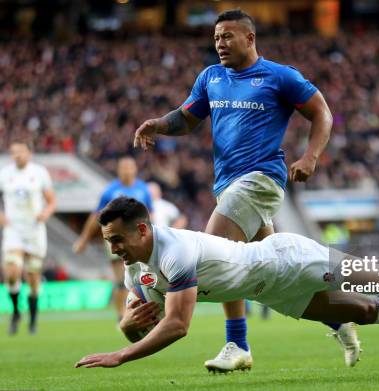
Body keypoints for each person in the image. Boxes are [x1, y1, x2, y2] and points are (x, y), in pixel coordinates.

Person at [133, 9, 353, 371]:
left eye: (227, 36)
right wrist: (159, 124)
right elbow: (186, 119)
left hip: (261, 179)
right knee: (275, 277)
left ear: (249, 39)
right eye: (216, 37)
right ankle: (338, 318)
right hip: (227, 185)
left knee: (215, 251)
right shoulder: (211, 77)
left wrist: (311, 156)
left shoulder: (279, 76)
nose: (220, 43)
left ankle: (237, 343)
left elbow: (321, 112)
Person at [74, 197, 379, 369]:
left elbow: (177, 325)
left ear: (143, 229)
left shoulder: (173, 249)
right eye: (108, 241)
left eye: (117, 240)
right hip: (272, 290)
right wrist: (125, 328)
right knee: (365, 311)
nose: (112, 249)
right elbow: (139, 323)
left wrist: (121, 354)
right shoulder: (137, 269)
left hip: (286, 260)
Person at [0, 139, 57, 335]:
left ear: (29, 153)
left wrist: (46, 213)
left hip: (34, 230)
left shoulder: (39, 173)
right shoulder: (4, 175)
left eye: (21, 151)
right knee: (12, 272)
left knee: (33, 277)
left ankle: (33, 320)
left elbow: (51, 201)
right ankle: (16, 312)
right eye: (13, 152)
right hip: (13, 230)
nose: (17, 155)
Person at [73, 157, 153, 322]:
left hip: (138, 240)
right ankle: (120, 316)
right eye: (123, 168)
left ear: (135, 169)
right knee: (120, 280)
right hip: (116, 239)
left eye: (129, 167)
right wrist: (84, 239)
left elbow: (150, 214)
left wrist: (152, 235)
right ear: (118, 171)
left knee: (142, 276)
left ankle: (142, 311)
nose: (126, 171)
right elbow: (96, 216)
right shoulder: (110, 191)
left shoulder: (143, 189)